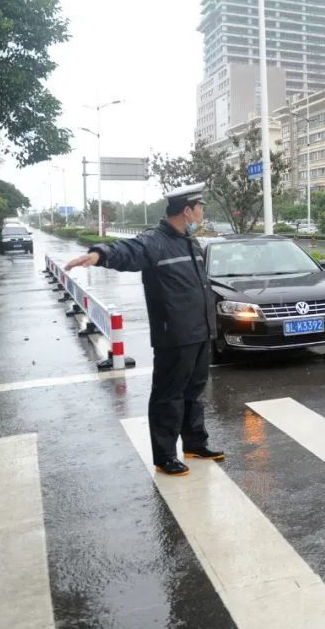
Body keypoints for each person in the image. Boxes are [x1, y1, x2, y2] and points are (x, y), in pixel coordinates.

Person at [65, 183, 223, 476]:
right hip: (174, 334)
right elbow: (128, 251)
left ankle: (194, 443)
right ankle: (165, 456)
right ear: (187, 211)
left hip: (201, 330)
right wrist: (99, 254)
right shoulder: (156, 241)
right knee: (168, 394)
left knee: (194, 390)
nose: (202, 214)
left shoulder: (191, 242)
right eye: (200, 208)